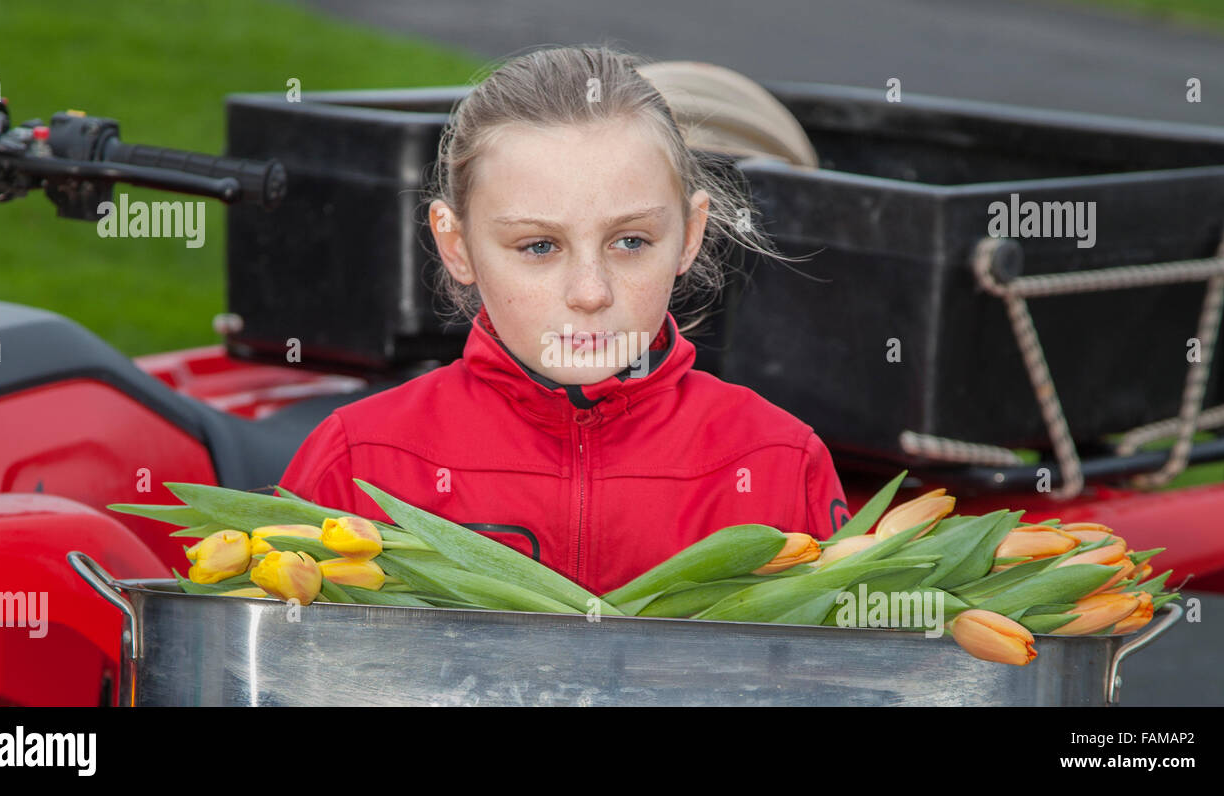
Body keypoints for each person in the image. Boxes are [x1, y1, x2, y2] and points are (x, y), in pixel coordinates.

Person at [278, 45, 849, 597]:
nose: (590, 293)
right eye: (539, 246)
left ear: (690, 236)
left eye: (630, 241)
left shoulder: (778, 464)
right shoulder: (358, 460)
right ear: (456, 246)